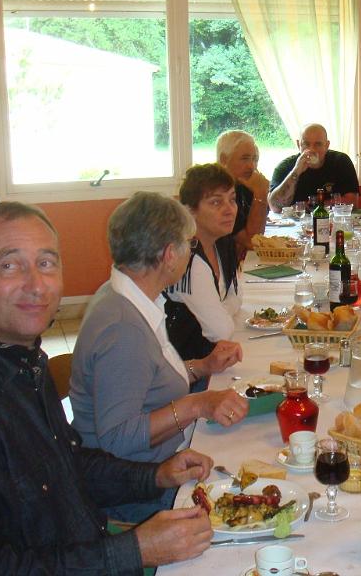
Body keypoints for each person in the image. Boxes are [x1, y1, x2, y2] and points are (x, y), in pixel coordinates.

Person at [0, 202, 216, 572]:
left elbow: (66, 464)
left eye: (46, 263)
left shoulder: (23, 362)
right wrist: (135, 551)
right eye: (9, 265)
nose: (36, 284)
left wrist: (155, 476)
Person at [70, 192, 247, 523]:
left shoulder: (129, 296)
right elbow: (118, 439)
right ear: (169, 255)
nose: (191, 251)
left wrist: (202, 367)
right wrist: (197, 405)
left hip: (159, 461)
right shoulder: (122, 327)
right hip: (136, 489)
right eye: (189, 244)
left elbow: (148, 378)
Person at [165, 163, 244, 366]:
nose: (229, 210)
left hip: (208, 355)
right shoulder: (189, 260)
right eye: (216, 202)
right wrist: (220, 313)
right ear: (190, 211)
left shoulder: (222, 242)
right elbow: (221, 331)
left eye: (232, 199)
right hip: (184, 368)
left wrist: (219, 310)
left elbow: (237, 297)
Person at [268, 123, 359, 211]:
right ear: (298, 145)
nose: (312, 149)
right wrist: (296, 171)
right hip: (296, 220)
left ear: (327, 145)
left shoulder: (341, 161)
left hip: (332, 219)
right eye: (306, 144)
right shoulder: (285, 166)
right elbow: (275, 207)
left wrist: (313, 206)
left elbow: (353, 202)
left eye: (318, 144)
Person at [216, 130, 269, 255]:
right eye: (245, 159)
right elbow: (252, 242)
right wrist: (261, 194)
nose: (252, 166)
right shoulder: (217, 193)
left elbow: (257, 236)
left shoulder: (244, 185)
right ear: (224, 159)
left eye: (254, 159)